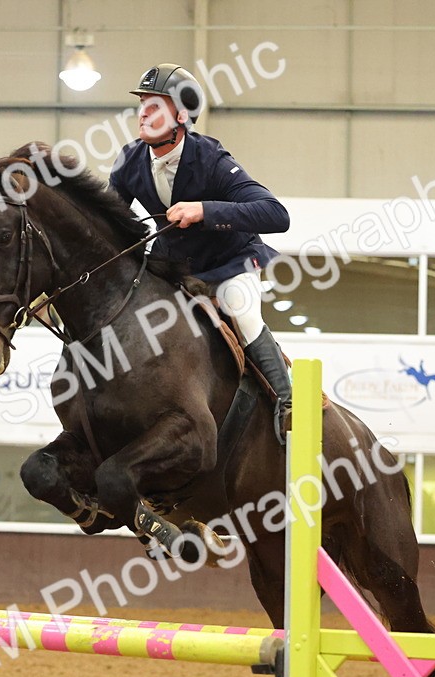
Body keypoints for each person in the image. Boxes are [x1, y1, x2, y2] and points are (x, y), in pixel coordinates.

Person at [109, 63, 293, 443]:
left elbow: (277, 214)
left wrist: (205, 210)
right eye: (141, 104)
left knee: (242, 311)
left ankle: (286, 402)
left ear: (180, 116)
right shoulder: (129, 160)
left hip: (229, 265)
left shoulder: (210, 158)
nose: (142, 112)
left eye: (154, 106)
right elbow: (109, 225)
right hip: (173, 268)